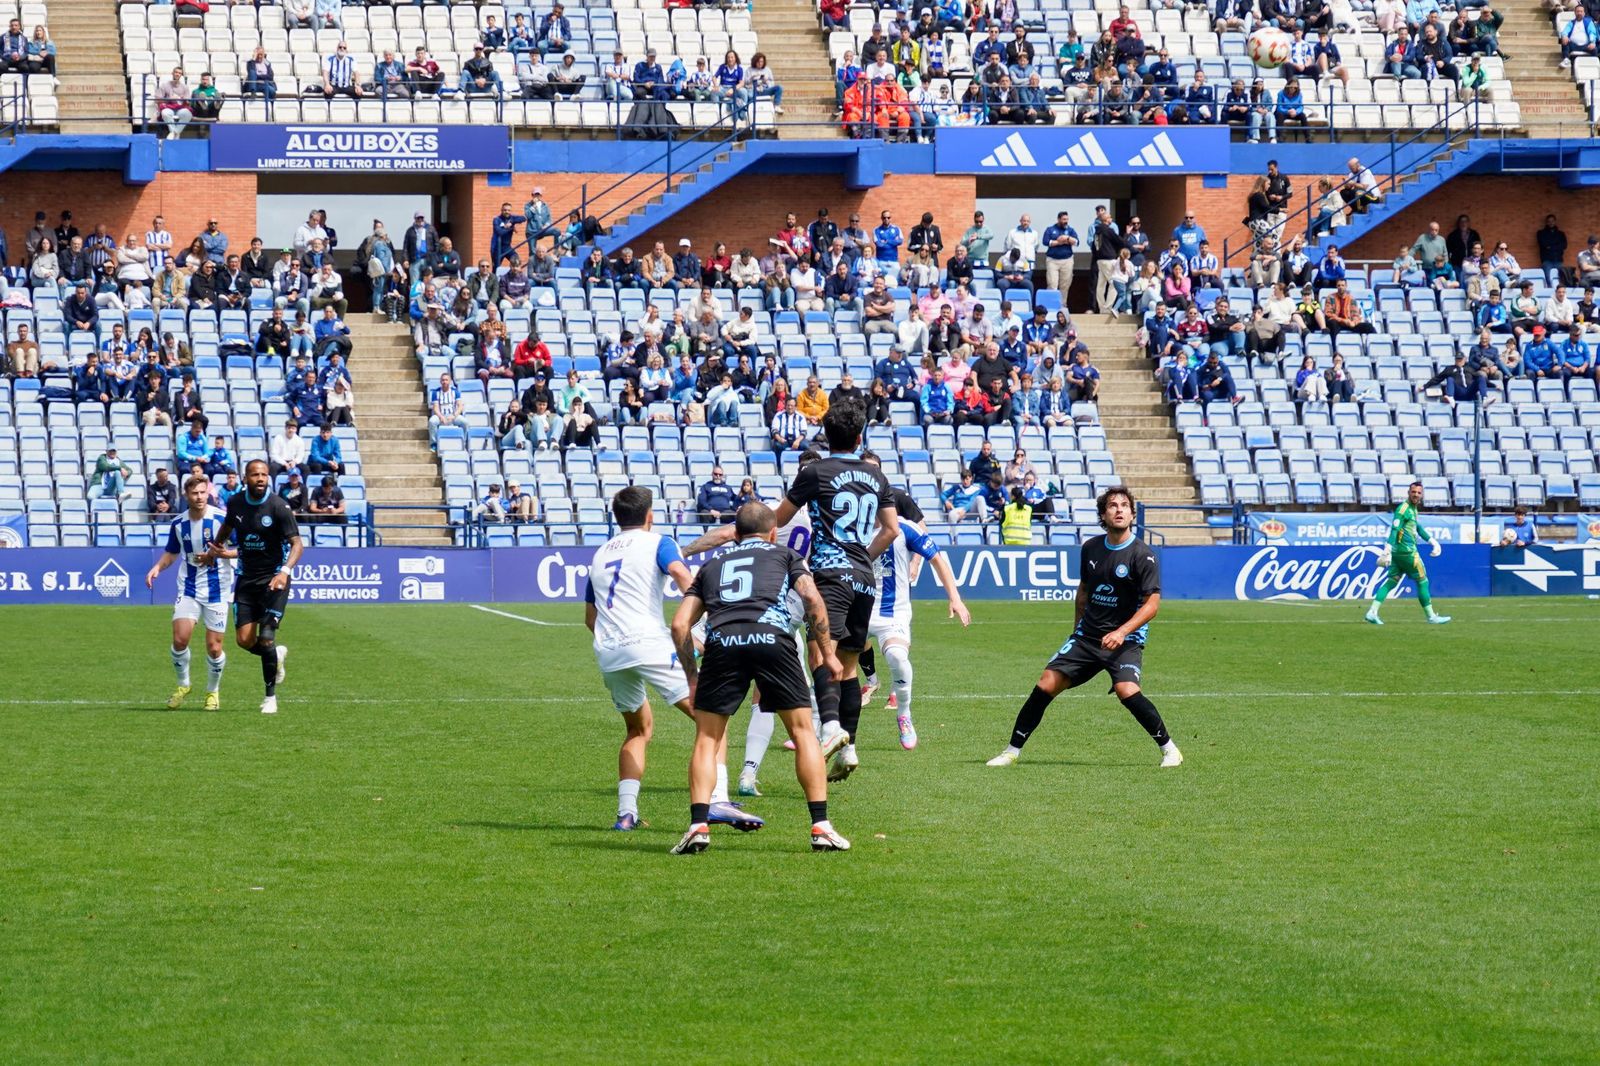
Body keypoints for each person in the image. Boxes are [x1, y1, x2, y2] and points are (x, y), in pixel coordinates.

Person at [668, 501, 846, 854]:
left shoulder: (712, 565)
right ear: (773, 531)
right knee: (802, 731)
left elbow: (679, 624)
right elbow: (812, 599)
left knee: (706, 738)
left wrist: (692, 676)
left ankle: (698, 826)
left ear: (734, 534)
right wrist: (827, 654)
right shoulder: (785, 556)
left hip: (723, 643)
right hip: (772, 640)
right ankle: (821, 826)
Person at [588, 486, 763, 835]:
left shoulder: (599, 554)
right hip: (650, 644)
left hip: (608, 651)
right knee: (713, 719)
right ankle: (718, 797)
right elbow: (688, 582)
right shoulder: (659, 542)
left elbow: (590, 619)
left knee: (638, 730)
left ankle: (626, 813)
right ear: (650, 516)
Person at [988, 486, 1183, 769]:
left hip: (1125, 640)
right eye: (1113, 505)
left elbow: (1152, 605)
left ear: (1131, 514)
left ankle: (1170, 750)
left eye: (1125, 505)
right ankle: (1011, 751)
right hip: (1087, 637)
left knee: (1126, 690)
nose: (1119, 510)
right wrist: (1077, 630)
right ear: (1103, 514)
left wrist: (1121, 632)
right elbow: (1083, 591)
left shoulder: (1143, 555)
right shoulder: (1091, 548)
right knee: (1046, 683)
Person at [856, 451, 971, 749]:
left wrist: (955, 598)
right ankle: (824, 727)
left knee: (896, 658)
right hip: (855, 609)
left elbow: (938, 559)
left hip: (893, 611)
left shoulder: (905, 527)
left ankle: (904, 714)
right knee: (827, 664)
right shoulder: (850, 526)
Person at [206, 460, 304, 715]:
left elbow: (297, 545)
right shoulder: (237, 503)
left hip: (274, 580)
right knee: (243, 641)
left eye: (264, 474)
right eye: (255, 474)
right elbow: (227, 527)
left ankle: (270, 697)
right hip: (246, 580)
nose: (260, 478)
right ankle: (276, 657)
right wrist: (216, 550)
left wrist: (284, 572)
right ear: (245, 478)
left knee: (267, 638)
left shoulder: (278, 506)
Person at [145, 474, 236, 711]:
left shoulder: (222, 520)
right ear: (187, 495)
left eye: (203, 492)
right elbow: (172, 553)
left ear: (209, 493)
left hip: (218, 589)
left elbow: (243, 547)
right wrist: (157, 567)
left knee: (214, 648)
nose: (199, 497)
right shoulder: (178, 523)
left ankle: (213, 692)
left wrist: (225, 554)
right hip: (189, 587)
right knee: (179, 639)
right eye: (194, 493)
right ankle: (184, 685)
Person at [1366, 481, 1451, 626]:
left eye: (1418, 492)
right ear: (1408, 492)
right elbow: (1394, 529)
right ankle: (1431, 616)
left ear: (1421, 495)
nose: (1416, 495)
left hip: (1398, 554)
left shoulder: (1412, 509)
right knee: (1423, 581)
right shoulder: (1404, 509)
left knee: (1391, 582)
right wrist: (1387, 549)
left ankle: (1372, 612)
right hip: (1408, 553)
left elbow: (1417, 527)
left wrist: (1432, 541)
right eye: (1413, 492)